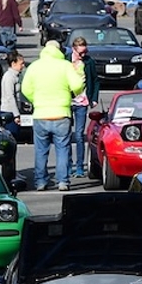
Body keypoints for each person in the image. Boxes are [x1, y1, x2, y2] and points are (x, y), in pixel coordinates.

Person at [21, 39, 85, 191]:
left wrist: (35, 100)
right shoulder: (65, 66)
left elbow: (25, 89)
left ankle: (40, 182)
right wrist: (73, 94)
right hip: (61, 113)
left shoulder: (35, 66)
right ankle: (63, 181)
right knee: (63, 149)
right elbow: (77, 84)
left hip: (40, 114)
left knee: (40, 151)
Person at [68, 37, 99, 179]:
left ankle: (79, 167)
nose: (83, 55)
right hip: (67, 102)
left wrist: (94, 98)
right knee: (66, 135)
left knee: (80, 135)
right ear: (74, 49)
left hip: (82, 102)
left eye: (84, 52)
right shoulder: (65, 60)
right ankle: (68, 166)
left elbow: (95, 80)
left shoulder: (89, 62)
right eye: (80, 53)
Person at [0, 50, 26, 138]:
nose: (23, 66)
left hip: (15, 111)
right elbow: (10, 96)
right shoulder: (9, 77)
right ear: (13, 64)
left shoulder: (17, 76)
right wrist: (16, 115)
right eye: (21, 64)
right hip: (9, 112)